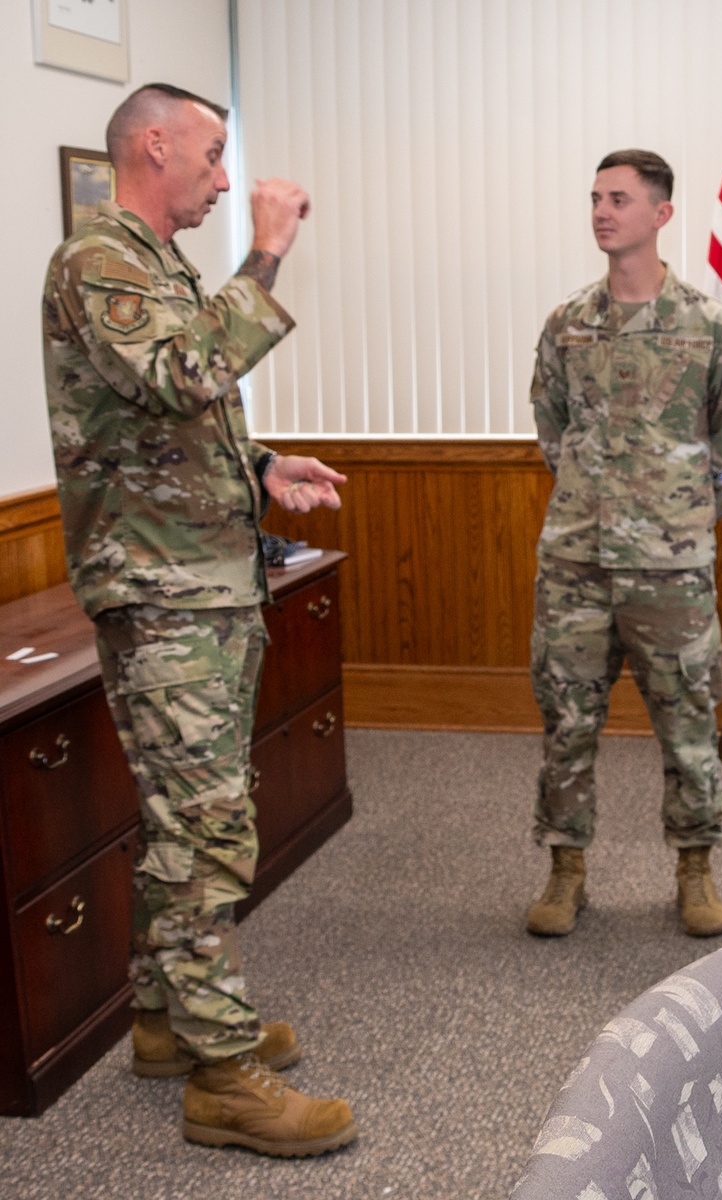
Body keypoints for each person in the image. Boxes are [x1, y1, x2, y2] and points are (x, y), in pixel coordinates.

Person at [42, 83, 356, 1157]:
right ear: (156, 144)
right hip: (165, 595)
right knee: (206, 828)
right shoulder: (100, 260)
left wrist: (264, 466)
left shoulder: (158, 265)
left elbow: (169, 418)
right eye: (215, 156)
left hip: (202, 582)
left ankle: (163, 1021)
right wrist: (267, 255)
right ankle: (223, 1076)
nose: (226, 179)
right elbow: (183, 375)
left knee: (188, 821)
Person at [526, 149, 722, 940]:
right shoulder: (566, 326)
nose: (601, 211)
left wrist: (680, 516)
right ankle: (566, 870)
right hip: (577, 564)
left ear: (661, 214)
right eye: (594, 197)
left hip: (672, 565)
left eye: (619, 199)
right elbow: (552, 431)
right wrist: (599, 504)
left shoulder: (710, 328)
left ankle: (695, 870)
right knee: (567, 721)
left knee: (688, 721)